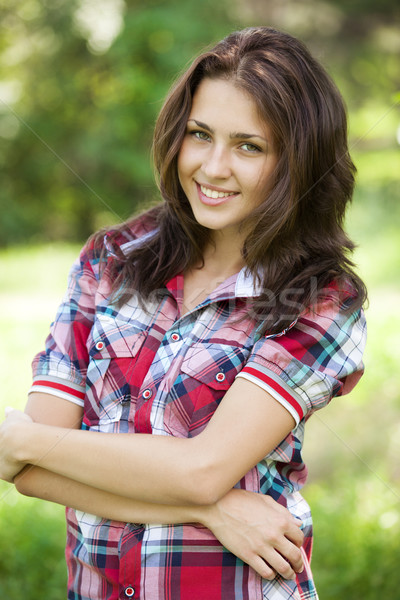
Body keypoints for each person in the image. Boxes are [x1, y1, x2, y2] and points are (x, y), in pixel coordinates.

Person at [0, 26, 367, 600]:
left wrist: (20, 440)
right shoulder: (110, 260)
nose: (213, 167)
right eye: (200, 135)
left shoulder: (320, 298)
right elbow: (31, 473)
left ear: (297, 161)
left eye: (249, 146)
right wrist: (219, 511)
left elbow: (199, 468)